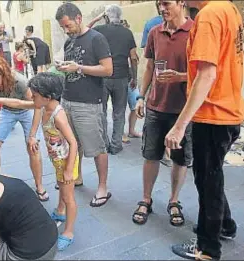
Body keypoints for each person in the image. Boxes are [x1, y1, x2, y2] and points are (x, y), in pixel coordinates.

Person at [167, 1, 243, 260]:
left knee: (208, 181)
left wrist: (179, 126)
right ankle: (225, 225)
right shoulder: (229, 9)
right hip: (226, 109)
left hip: (213, 114)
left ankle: (207, 248)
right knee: (213, 175)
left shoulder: (209, 15)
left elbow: (207, 74)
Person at [0, 72, 78, 251]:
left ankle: (69, 232)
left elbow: (73, 143)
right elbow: (18, 103)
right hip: (58, 160)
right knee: (61, 186)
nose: (31, 98)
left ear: (47, 97)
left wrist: (69, 169)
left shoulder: (58, 115)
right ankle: (60, 211)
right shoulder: (43, 106)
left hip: (66, 161)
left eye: (34, 96)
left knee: (68, 196)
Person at [132, 0, 193, 227]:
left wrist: (181, 76)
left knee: (180, 158)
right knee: (151, 155)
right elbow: (149, 67)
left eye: (166, 3)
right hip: (156, 106)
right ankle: (146, 198)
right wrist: (141, 96)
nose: (162, 8)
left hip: (184, 110)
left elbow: (205, 72)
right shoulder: (155, 32)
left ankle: (174, 200)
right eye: (159, 4)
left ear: (181, 3)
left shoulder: (195, 31)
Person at [49, 2, 113, 207]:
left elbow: (108, 70)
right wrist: (63, 67)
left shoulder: (97, 39)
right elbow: (72, 67)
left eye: (68, 25)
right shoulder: (69, 42)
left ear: (78, 18)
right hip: (68, 100)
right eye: (63, 27)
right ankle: (77, 177)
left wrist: (79, 68)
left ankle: (102, 187)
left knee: (96, 147)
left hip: (88, 103)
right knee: (71, 143)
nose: (66, 30)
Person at [0, 55, 47, 202]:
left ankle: (39, 185)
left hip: (28, 111)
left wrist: (33, 135)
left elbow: (37, 106)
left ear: (3, 73)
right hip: (7, 112)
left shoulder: (20, 82)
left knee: (33, 147)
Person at [88, 4, 139, 155]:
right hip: (122, 77)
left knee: (101, 111)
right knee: (119, 111)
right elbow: (134, 58)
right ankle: (116, 145)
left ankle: (104, 143)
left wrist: (97, 18)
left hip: (102, 76)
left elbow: (82, 30)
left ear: (106, 17)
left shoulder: (98, 31)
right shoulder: (127, 33)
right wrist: (134, 77)